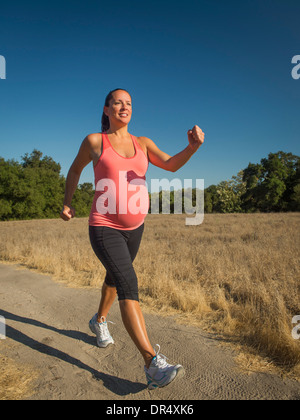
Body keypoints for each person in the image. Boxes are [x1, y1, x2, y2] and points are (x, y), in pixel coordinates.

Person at [60, 88, 205, 389]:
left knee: (115, 279)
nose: (124, 107)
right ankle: (152, 364)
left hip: (135, 227)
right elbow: (74, 170)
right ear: (107, 109)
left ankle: (98, 320)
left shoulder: (143, 143)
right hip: (104, 224)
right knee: (129, 284)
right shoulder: (95, 141)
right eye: (118, 103)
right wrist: (68, 201)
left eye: (129, 103)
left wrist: (191, 148)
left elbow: (171, 164)